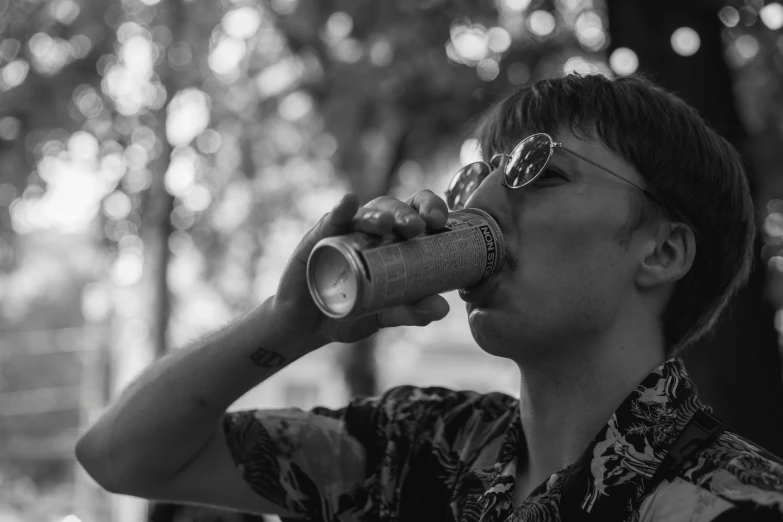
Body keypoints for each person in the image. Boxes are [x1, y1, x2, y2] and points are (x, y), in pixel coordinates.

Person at [75, 74, 783, 521]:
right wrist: (289, 324)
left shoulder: (731, 503)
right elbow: (123, 458)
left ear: (660, 250)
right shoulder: (411, 447)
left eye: (538, 170)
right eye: (475, 172)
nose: (476, 198)